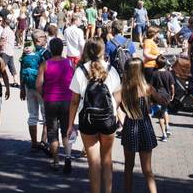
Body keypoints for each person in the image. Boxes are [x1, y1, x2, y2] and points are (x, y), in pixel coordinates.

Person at [68, 39, 122, 193]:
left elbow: (74, 101)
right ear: (102, 51)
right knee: (107, 159)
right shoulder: (111, 70)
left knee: (93, 162)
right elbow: (118, 96)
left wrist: (70, 124)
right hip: (108, 119)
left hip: (87, 120)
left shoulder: (80, 71)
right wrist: (114, 111)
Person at [120, 58, 169, 193]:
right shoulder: (147, 88)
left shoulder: (124, 89)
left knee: (128, 168)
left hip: (130, 126)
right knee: (147, 169)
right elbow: (162, 100)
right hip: (145, 126)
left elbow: (118, 106)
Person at [37, 37, 75, 173]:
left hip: (51, 101)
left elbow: (38, 85)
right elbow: (76, 82)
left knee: (52, 132)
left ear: (50, 50)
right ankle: (68, 157)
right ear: (62, 49)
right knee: (66, 130)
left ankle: (56, 160)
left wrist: (44, 95)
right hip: (67, 101)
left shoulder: (45, 64)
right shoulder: (70, 63)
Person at [20, 30, 48, 153]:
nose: (45, 38)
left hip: (29, 87)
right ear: (38, 39)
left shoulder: (27, 50)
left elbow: (22, 69)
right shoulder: (45, 52)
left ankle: (33, 143)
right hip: (42, 87)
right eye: (43, 37)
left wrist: (22, 87)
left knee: (32, 115)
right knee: (46, 116)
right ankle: (43, 142)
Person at [150, 55, 175, 142]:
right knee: (165, 111)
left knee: (160, 115)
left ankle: (164, 134)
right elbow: (172, 86)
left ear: (156, 64)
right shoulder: (168, 73)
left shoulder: (154, 74)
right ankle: (167, 126)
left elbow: (151, 87)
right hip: (166, 96)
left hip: (157, 97)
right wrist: (172, 94)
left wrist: (150, 98)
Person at [0, 17, 18, 87]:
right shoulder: (11, 31)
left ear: (4, 23)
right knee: (12, 67)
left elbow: (2, 41)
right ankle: (15, 81)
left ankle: (0, 81)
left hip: (5, 50)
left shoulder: (5, 30)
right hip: (11, 51)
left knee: (1, 67)